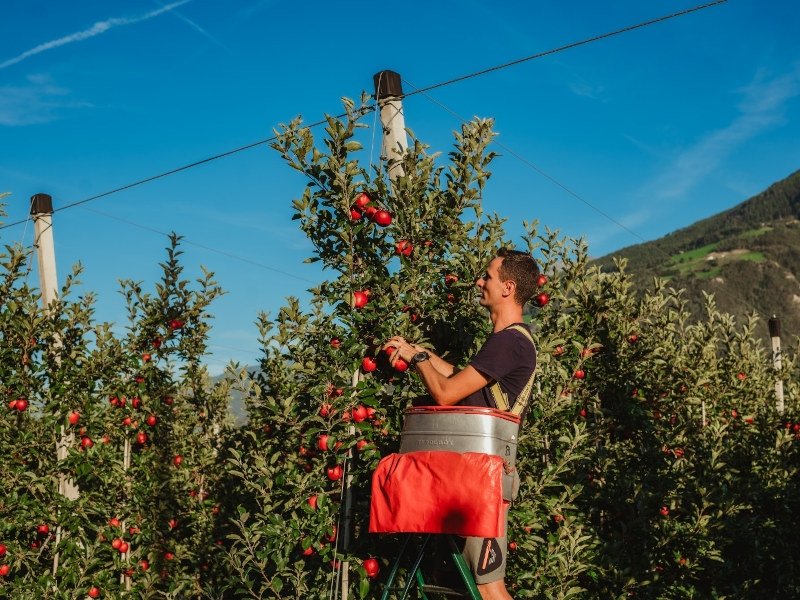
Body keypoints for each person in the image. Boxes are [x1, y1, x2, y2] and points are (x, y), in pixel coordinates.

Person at [384, 247, 540, 600]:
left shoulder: (510, 343)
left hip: (482, 482)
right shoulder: (506, 342)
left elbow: (445, 394)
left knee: (489, 588)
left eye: (488, 276)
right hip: (468, 477)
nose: (479, 281)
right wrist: (414, 352)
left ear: (508, 287)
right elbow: (459, 377)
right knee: (468, 584)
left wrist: (419, 358)